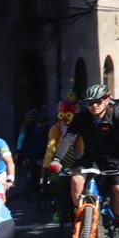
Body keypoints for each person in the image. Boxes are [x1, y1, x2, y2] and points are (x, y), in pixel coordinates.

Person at [49, 84, 119, 232]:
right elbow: (69, 139)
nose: (94, 105)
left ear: (107, 100)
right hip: (91, 158)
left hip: (116, 159)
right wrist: (57, 159)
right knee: (76, 180)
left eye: (98, 101)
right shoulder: (82, 117)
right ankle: (82, 218)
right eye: (90, 102)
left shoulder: (117, 114)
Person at [42, 91, 83, 221]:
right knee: (54, 183)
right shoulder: (55, 129)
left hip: (81, 162)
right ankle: (60, 208)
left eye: (69, 115)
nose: (65, 120)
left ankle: (82, 208)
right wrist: (46, 167)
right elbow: (50, 148)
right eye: (62, 115)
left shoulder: (83, 127)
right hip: (61, 163)